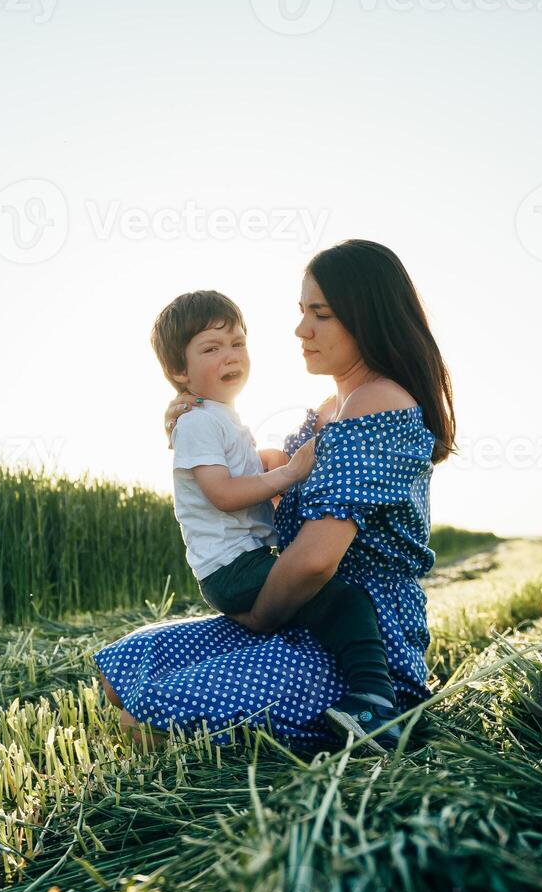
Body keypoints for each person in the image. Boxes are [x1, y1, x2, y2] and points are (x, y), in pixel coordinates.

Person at [94, 239, 455, 752]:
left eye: (321, 314)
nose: (301, 329)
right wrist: (197, 409)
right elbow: (271, 480)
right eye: (301, 311)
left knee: (149, 724)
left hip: (358, 635)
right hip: (300, 607)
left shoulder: (377, 404)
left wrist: (261, 618)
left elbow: (313, 561)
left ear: (366, 318)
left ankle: (377, 707)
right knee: (124, 669)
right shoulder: (333, 405)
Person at [148, 289, 405, 753]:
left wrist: (272, 462)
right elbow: (223, 493)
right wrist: (287, 471)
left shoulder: (219, 417)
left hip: (245, 564)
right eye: (212, 348)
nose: (231, 356)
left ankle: (370, 698)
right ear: (180, 373)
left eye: (238, 344)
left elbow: (247, 472)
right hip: (235, 566)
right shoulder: (200, 422)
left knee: (331, 606)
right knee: (342, 602)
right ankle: (374, 702)